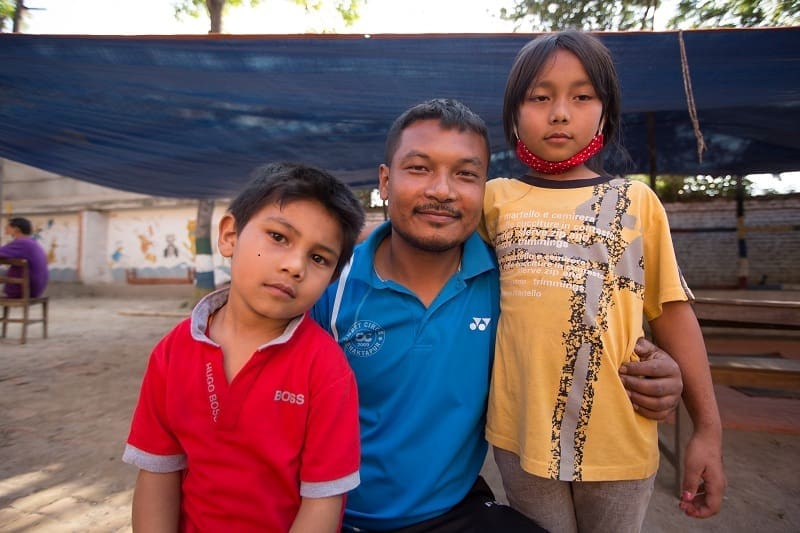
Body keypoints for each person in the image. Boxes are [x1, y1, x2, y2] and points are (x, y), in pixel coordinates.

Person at [312, 98, 684, 532]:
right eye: (419, 168)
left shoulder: (509, 282)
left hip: (454, 512)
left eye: (466, 174)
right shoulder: (330, 287)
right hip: (337, 516)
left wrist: (660, 372)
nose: (442, 190)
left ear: (484, 189)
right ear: (384, 181)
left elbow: (568, 335)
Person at [480, 31, 726, 532]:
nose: (560, 112)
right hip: (519, 435)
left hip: (619, 436)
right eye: (540, 96)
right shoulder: (493, 200)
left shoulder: (636, 202)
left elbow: (672, 311)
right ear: (513, 113)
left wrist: (708, 429)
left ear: (606, 111)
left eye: (582, 95)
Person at [122, 162, 365, 532]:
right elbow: (158, 475)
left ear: (331, 280)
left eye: (318, 258)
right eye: (279, 237)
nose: (295, 266)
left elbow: (322, 503)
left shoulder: (326, 371)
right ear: (230, 236)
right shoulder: (172, 353)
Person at [0, 217, 48, 298]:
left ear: (16, 229)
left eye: (8, 226)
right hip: (34, 289)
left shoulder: (22, 243)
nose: (5, 228)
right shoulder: (31, 242)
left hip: (23, 290)